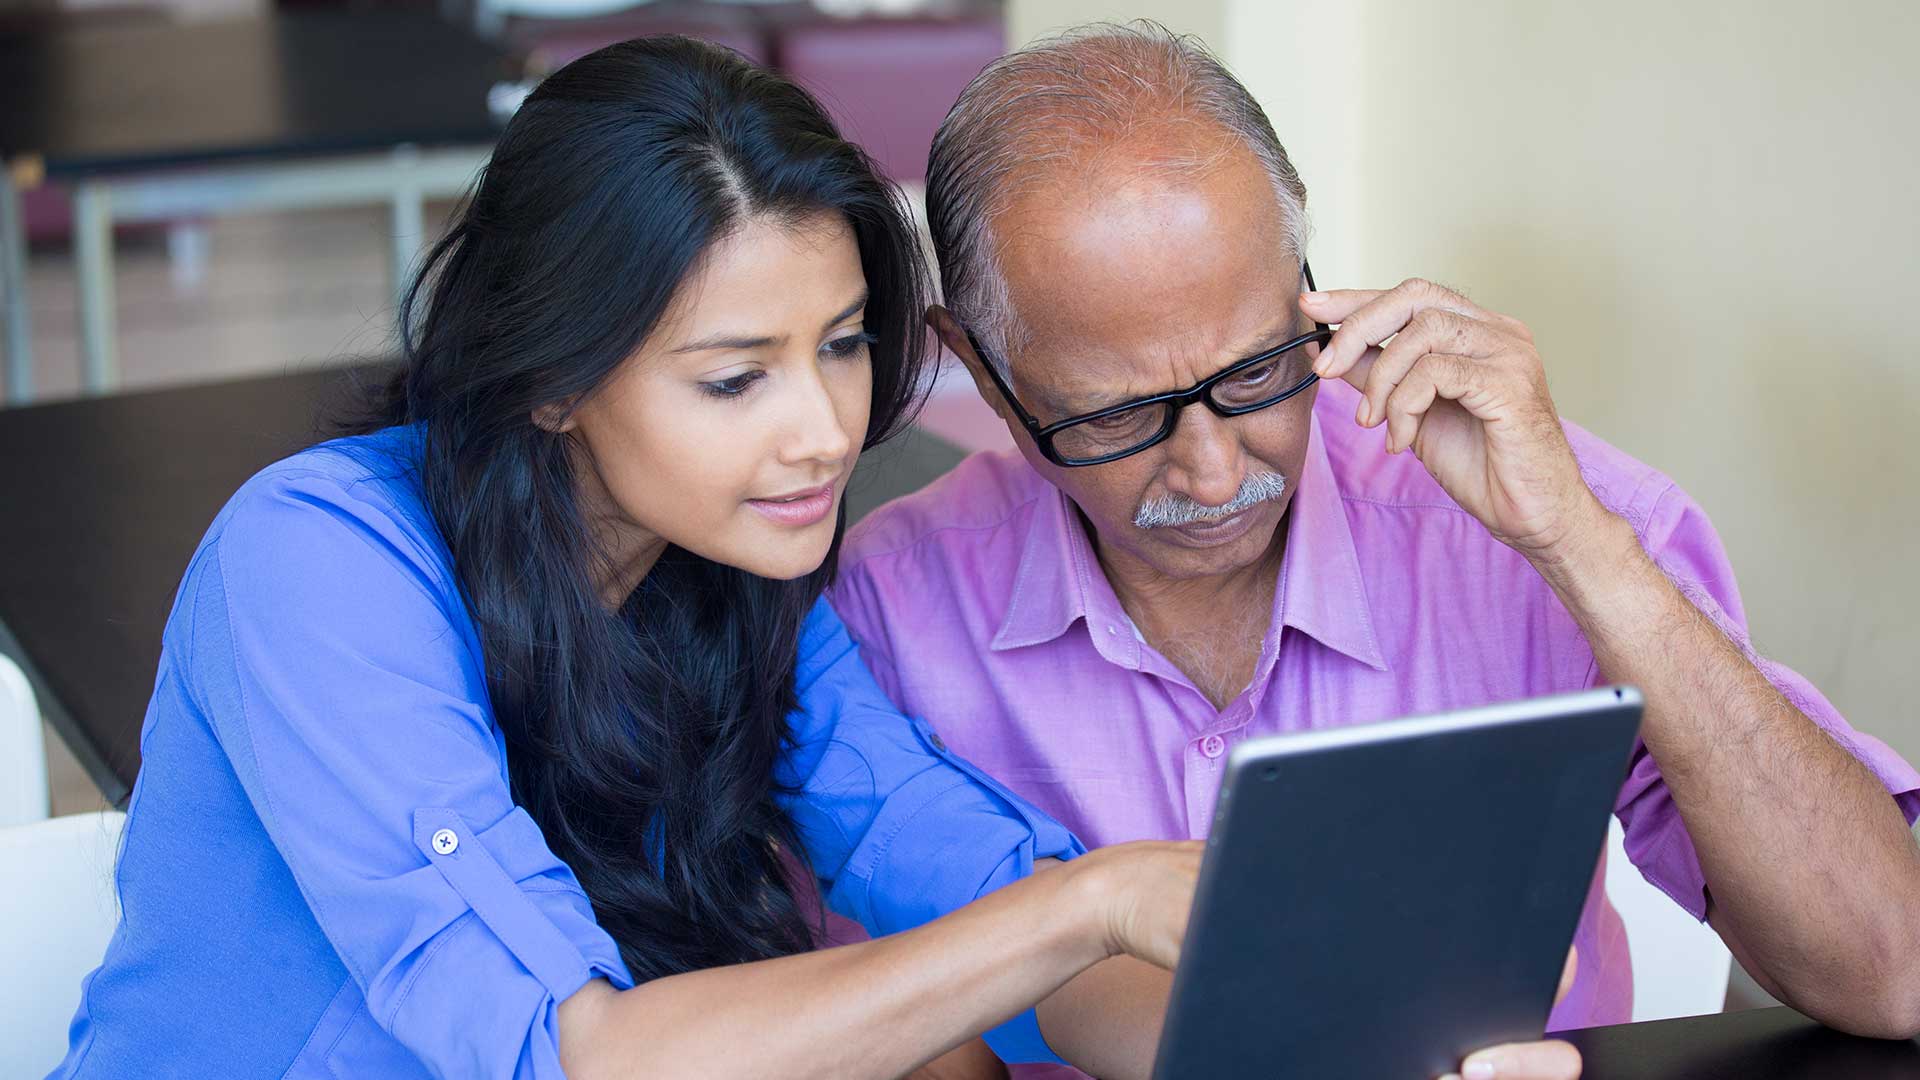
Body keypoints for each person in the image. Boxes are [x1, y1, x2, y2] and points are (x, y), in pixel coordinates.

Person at [49, 37, 1205, 1080]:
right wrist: (1093, 902)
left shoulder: (734, 579)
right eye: (734, 377)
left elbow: (958, 871)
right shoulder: (317, 561)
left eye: (843, 344)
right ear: (554, 375)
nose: (825, 432)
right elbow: (571, 1053)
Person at [831, 22, 1920, 1080]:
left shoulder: (1533, 512)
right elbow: (890, 1033)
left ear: (1310, 280)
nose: (1214, 474)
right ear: (980, 370)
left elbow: (1891, 973)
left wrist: (1580, 547)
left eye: (1259, 371)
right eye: (1117, 418)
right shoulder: (885, 612)